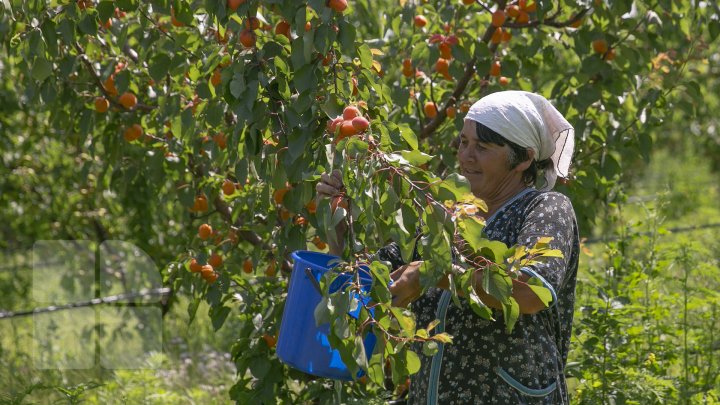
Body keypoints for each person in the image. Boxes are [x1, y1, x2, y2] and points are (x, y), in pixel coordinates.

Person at [316, 91, 580, 404]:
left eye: (482, 147)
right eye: (464, 143)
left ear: (523, 158)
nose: (466, 156)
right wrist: (337, 227)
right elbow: (367, 283)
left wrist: (437, 273)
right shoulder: (446, 217)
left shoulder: (546, 208)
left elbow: (531, 292)